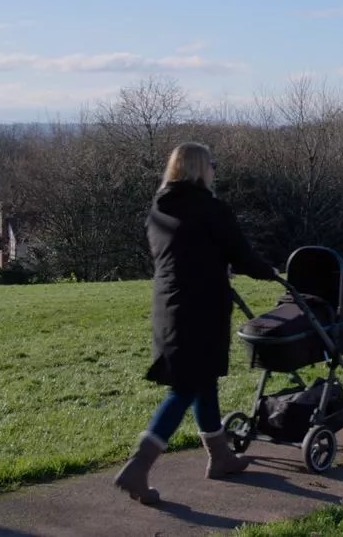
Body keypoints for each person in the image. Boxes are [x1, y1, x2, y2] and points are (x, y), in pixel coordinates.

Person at [114, 142, 278, 504]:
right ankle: (138, 468)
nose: (215, 170)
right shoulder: (211, 209)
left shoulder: (159, 208)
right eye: (212, 164)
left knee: (203, 381)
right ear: (200, 168)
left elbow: (180, 254)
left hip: (169, 306)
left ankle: (220, 457)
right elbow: (241, 254)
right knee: (186, 387)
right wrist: (270, 272)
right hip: (201, 308)